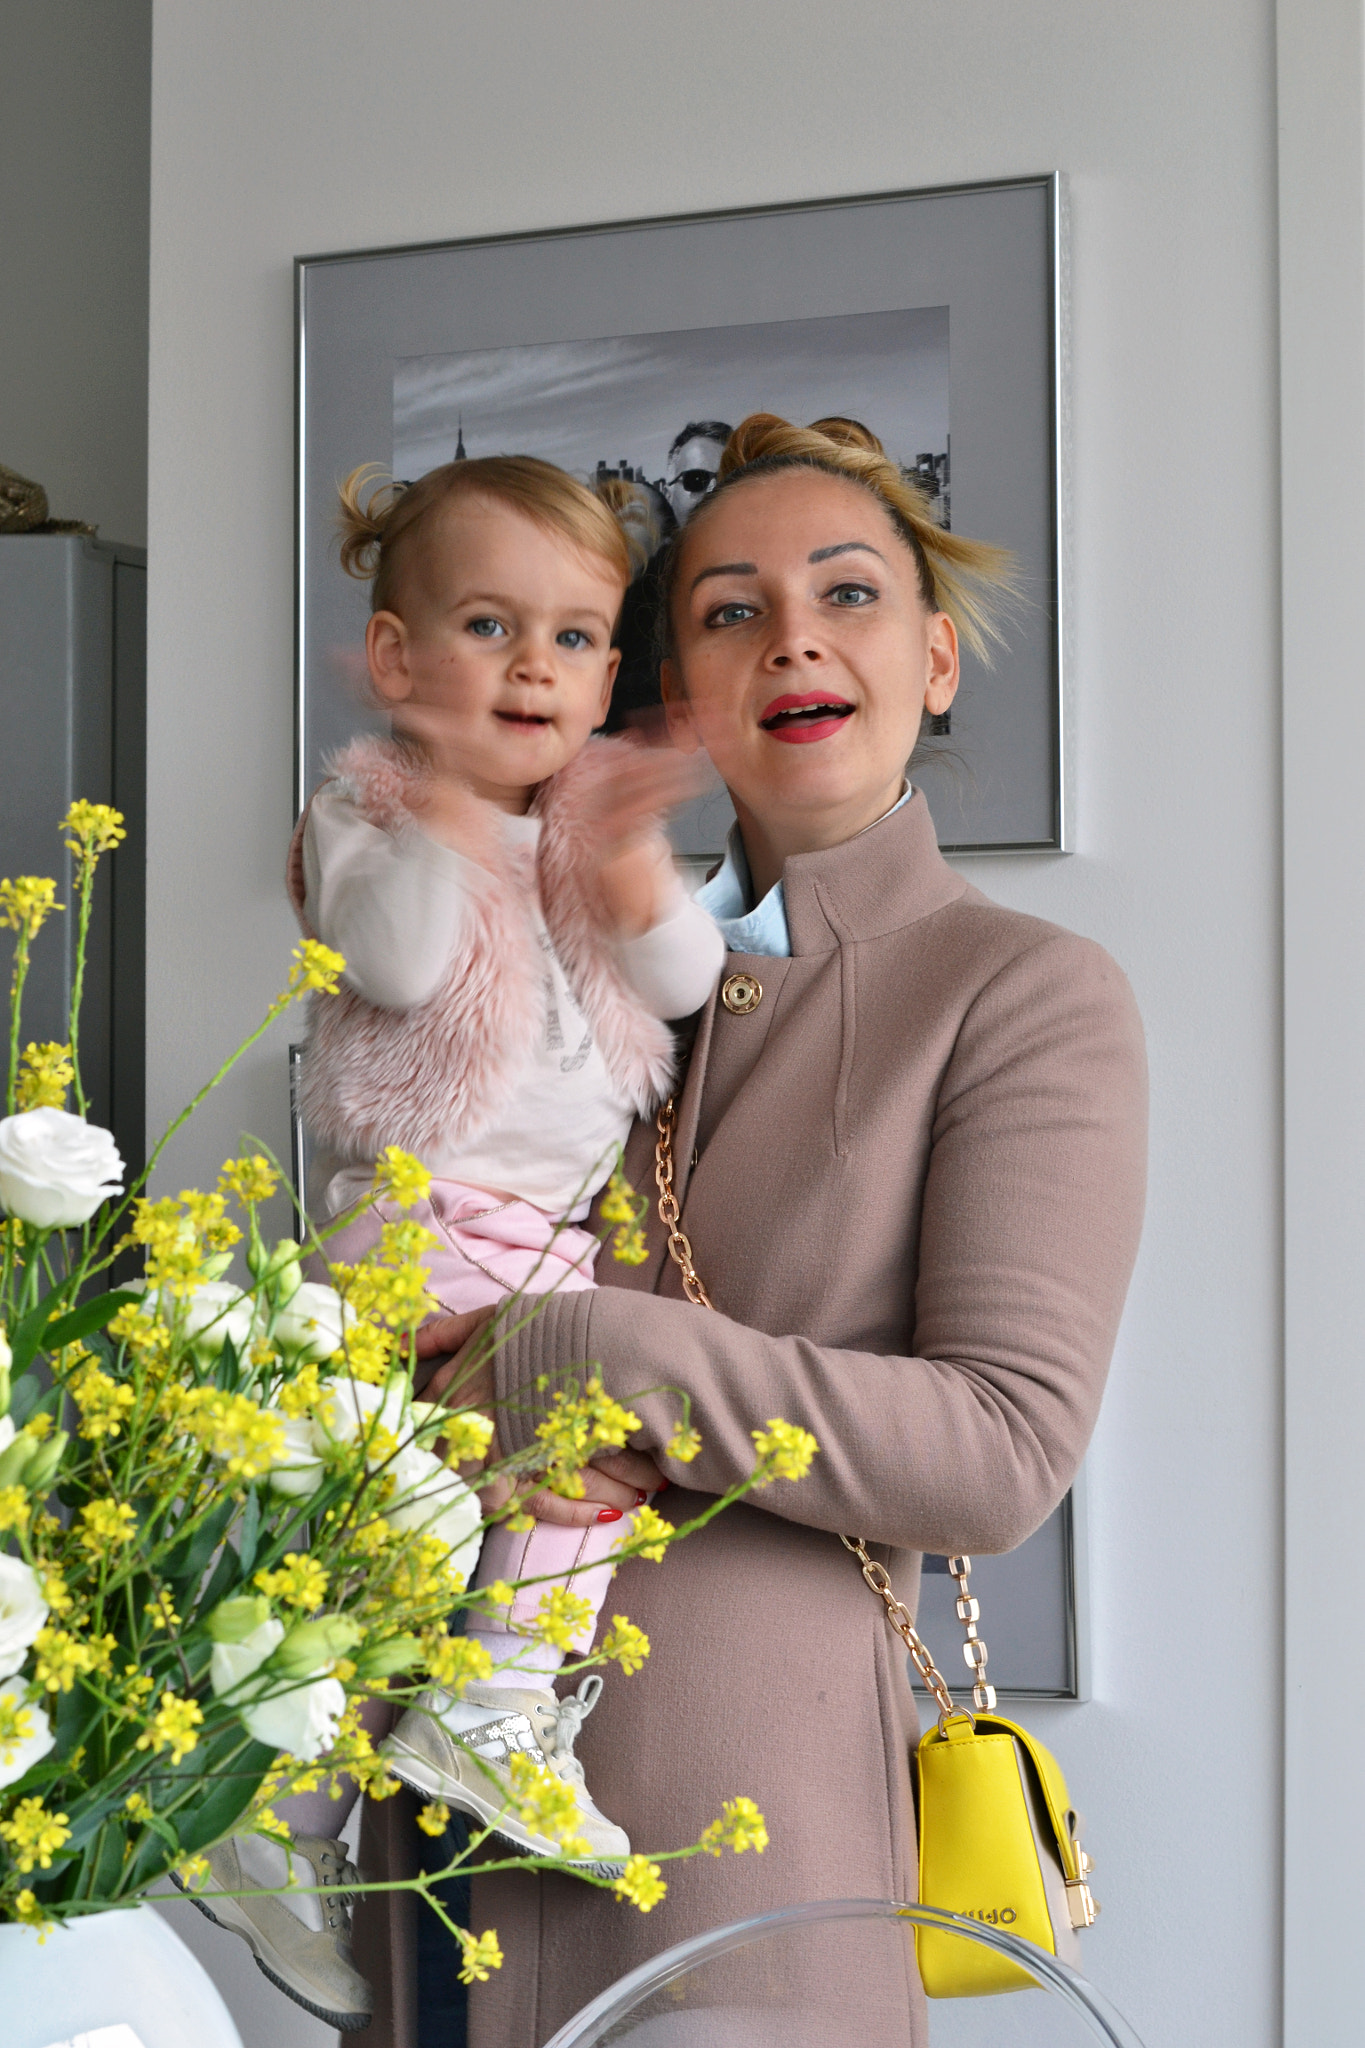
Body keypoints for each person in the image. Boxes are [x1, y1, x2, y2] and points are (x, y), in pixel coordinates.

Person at [414, 414, 1148, 2048]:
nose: (794, 633)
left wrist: (587, 1353)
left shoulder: (1024, 994)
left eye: (849, 593)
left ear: (938, 660)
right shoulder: (556, 968)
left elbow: (1002, 1443)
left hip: (742, 1882)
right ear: (674, 705)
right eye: (731, 608)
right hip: (437, 1861)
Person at [200, 454, 724, 2034]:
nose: (530, 667)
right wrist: (435, 790)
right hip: (413, 1224)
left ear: (609, 674)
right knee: (497, 1482)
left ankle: (396, 1754)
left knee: (498, 1499)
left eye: (572, 639)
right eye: (487, 626)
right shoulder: (364, 811)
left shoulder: (588, 828)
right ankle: (380, 1764)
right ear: (394, 658)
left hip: (546, 1237)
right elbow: (409, 962)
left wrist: (630, 858)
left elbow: (690, 985)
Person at [605, 421, 733, 732]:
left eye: (732, 478)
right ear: (667, 491)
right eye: (697, 480)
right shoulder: (630, 596)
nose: (716, 492)